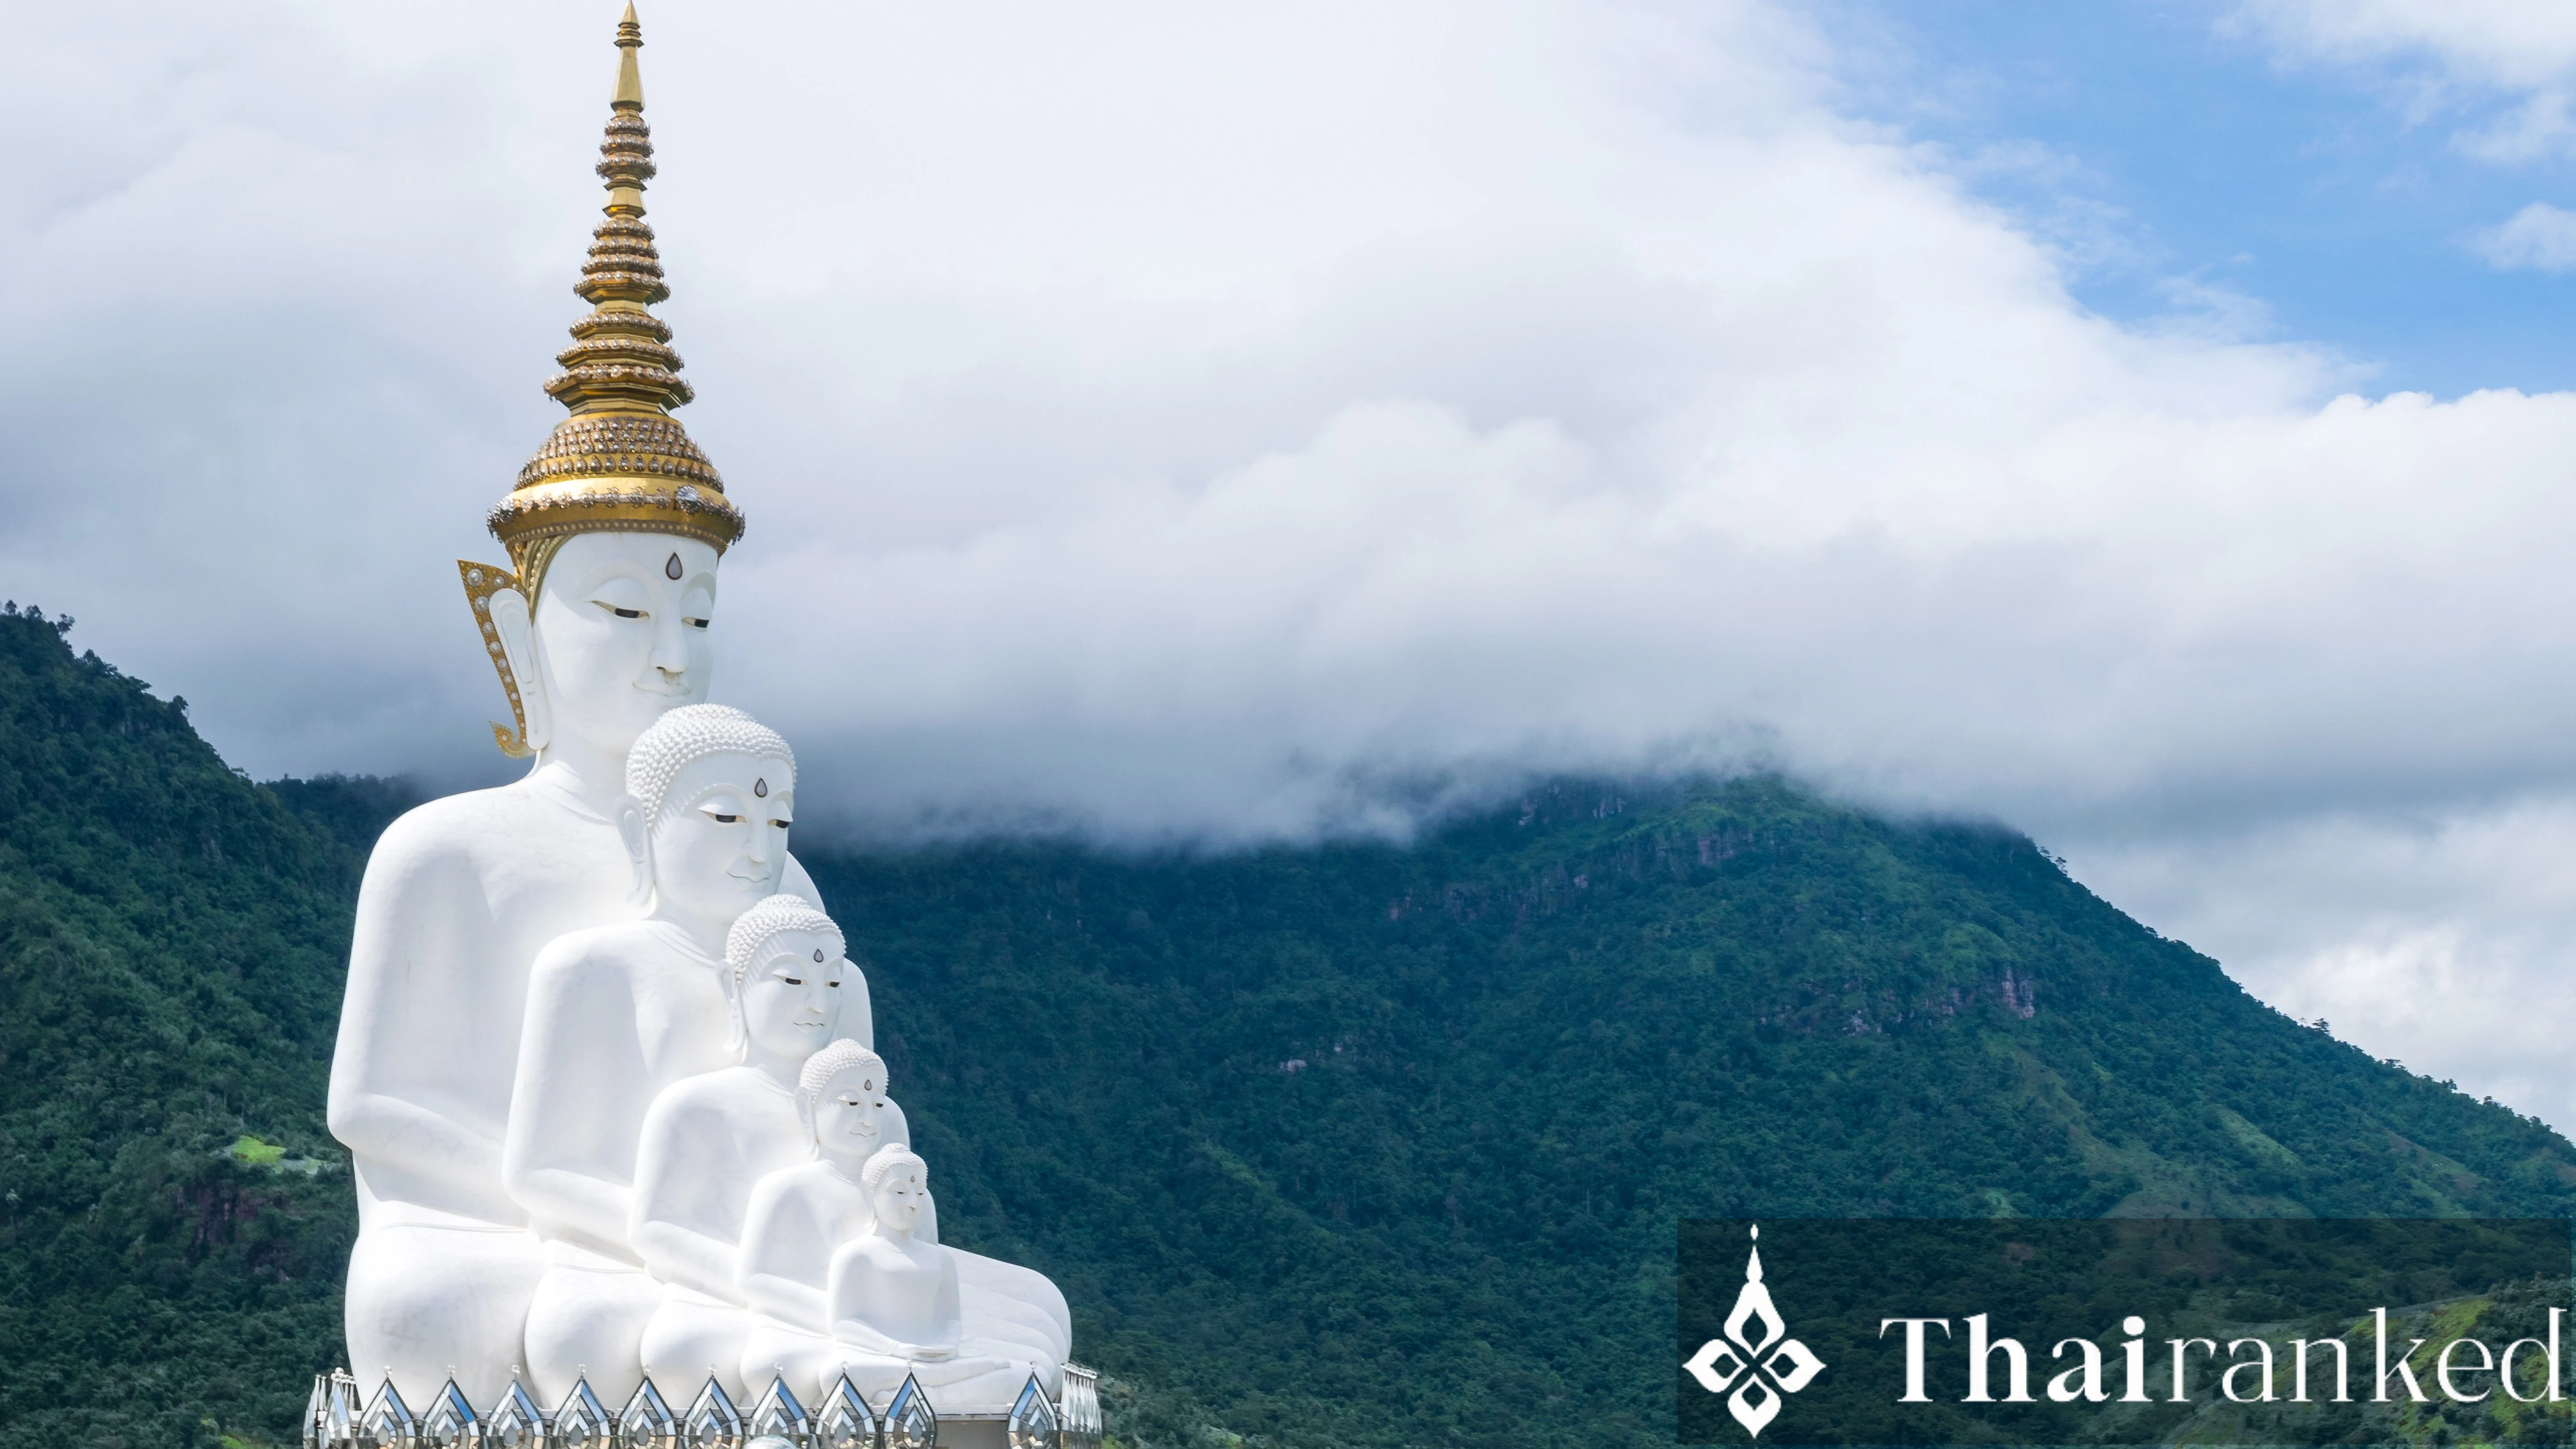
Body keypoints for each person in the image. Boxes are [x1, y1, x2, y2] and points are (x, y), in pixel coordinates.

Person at [504, 705, 815, 1406]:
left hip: (800, 1258)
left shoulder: (830, 978)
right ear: (639, 829)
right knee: (579, 1334)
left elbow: (848, 1144)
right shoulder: (592, 968)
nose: (763, 852)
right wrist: (715, 1252)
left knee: (1038, 1309)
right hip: (626, 1248)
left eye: (780, 824)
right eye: (727, 819)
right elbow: (540, 1171)